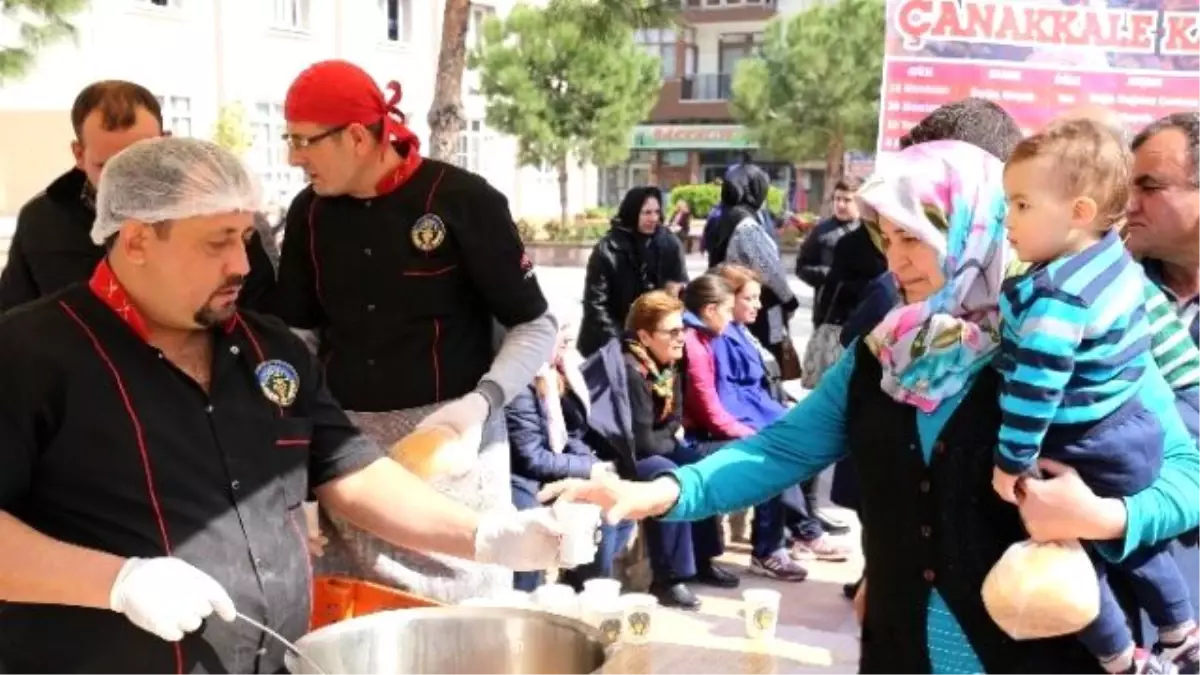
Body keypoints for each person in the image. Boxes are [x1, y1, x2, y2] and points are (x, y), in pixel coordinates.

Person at [544, 140, 1200, 674]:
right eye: (886, 237)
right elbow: (780, 449)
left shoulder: (1070, 338)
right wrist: (655, 492)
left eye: (914, 236)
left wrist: (1108, 515)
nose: (897, 260)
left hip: (1044, 654)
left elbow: (1187, 472)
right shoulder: (885, 352)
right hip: (900, 647)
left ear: (978, 225)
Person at [0, 137, 570, 675]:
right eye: (216, 241)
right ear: (137, 239)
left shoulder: (265, 347)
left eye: (244, 238)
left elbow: (350, 471)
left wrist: (486, 536)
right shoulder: (31, 353)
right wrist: (117, 582)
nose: (242, 265)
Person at [272, 60, 557, 602]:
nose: (293, 157)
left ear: (357, 136)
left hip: (453, 445)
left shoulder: (464, 202)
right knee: (357, 618)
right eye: (290, 139)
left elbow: (534, 323)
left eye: (304, 141)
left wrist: (480, 405)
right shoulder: (309, 214)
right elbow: (300, 340)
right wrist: (296, 460)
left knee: (461, 622)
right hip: (348, 459)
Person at [997, 119, 1197, 672]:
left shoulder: (1072, 294)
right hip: (1091, 615)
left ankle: (1148, 649)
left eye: (1149, 185)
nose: (1127, 200)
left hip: (1173, 574)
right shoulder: (1116, 280)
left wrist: (1106, 517)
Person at [0, 80, 276, 313]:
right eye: (107, 167)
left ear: (166, 142)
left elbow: (262, 316)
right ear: (79, 154)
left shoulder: (225, 212)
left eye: (144, 160)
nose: (128, 179)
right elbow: (13, 319)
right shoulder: (41, 221)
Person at [581, 290, 736, 609]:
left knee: (703, 469)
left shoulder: (668, 363)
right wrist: (668, 433)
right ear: (644, 336)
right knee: (670, 476)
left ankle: (703, 560)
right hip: (621, 456)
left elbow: (674, 416)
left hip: (654, 443)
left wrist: (668, 432)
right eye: (673, 332)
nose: (682, 338)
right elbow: (643, 442)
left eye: (683, 330)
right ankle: (668, 579)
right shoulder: (630, 370)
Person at [506, 321, 635, 592]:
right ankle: (528, 596)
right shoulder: (519, 384)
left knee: (615, 510)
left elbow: (572, 434)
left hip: (553, 467)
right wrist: (587, 469)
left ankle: (584, 588)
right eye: (559, 335)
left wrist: (594, 465)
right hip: (521, 476)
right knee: (529, 528)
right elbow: (531, 457)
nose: (567, 341)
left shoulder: (558, 375)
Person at [577, 186, 688, 357]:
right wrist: (624, 341)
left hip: (659, 339)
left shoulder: (669, 244)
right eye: (647, 212)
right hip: (614, 339)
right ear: (633, 212)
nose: (653, 218)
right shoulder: (608, 249)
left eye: (657, 212)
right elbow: (596, 304)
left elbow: (680, 289)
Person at [706, 164, 798, 364]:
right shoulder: (746, 225)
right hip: (756, 310)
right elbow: (769, 268)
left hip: (729, 304)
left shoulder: (721, 217)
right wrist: (790, 300)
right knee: (763, 364)